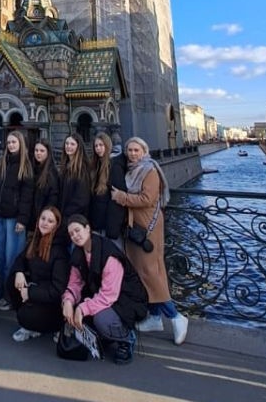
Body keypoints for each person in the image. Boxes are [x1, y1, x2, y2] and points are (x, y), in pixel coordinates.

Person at [110, 136, 189, 345]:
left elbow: (147, 199)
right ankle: (155, 318)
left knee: (150, 272)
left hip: (148, 229)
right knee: (144, 273)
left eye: (136, 150)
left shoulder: (149, 171)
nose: (132, 153)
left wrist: (121, 197)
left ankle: (176, 317)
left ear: (144, 151)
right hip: (136, 227)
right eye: (129, 150)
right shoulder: (132, 169)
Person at [62, 214, 148, 364]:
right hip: (102, 293)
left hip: (127, 299)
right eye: (71, 234)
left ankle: (127, 338)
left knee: (101, 319)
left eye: (77, 230)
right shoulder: (78, 252)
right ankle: (107, 335)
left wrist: (82, 308)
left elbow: (109, 295)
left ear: (87, 228)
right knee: (71, 310)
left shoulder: (109, 255)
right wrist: (68, 301)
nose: (75, 236)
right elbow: (74, 283)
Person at [7, 205, 69, 342]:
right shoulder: (35, 241)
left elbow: (57, 290)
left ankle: (54, 327)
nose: (45, 223)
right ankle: (31, 325)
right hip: (37, 291)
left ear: (56, 225)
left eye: (50, 221)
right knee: (12, 281)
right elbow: (20, 259)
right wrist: (19, 272)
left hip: (52, 303)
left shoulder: (59, 251)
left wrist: (30, 292)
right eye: (43, 218)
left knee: (25, 316)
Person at [0, 130, 34, 311]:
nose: (11, 145)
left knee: (12, 259)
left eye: (14, 142)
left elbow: (27, 196)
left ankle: (10, 296)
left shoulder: (25, 166)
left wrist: (23, 219)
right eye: (9, 142)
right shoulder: (2, 163)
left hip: (15, 219)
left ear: (21, 144)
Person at [89, 132, 127, 245]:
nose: (98, 149)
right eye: (96, 146)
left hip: (108, 227)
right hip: (96, 223)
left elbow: (117, 199)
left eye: (101, 145)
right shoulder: (96, 166)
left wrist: (112, 229)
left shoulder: (114, 166)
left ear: (108, 145)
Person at [58, 133, 91, 230]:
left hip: (75, 218)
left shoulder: (82, 169)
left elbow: (82, 198)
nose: (68, 146)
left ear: (78, 147)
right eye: (67, 144)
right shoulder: (65, 166)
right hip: (64, 216)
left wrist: (66, 215)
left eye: (72, 144)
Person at [30, 140, 60, 231]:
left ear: (48, 153)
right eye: (36, 150)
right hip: (31, 217)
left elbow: (53, 198)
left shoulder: (51, 173)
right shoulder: (32, 168)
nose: (38, 153)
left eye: (42, 151)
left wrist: (43, 218)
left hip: (42, 219)